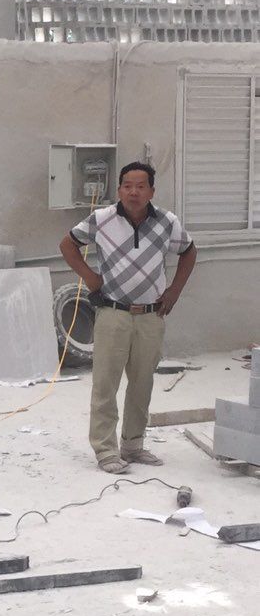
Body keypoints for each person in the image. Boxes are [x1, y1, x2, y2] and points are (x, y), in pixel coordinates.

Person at [59, 161, 197, 475]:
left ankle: (133, 445)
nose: (133, 192)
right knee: (105, 384)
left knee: (142, 383)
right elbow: (68, 245)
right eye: (127, 186)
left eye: (140, 186)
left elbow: (189, 252)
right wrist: (91, 278)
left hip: (150, 315)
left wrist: (174, 291)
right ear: (119, 189)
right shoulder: (101, 219)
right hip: (113, 313)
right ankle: (106, 450)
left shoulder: (167, 222)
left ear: (151, 191)